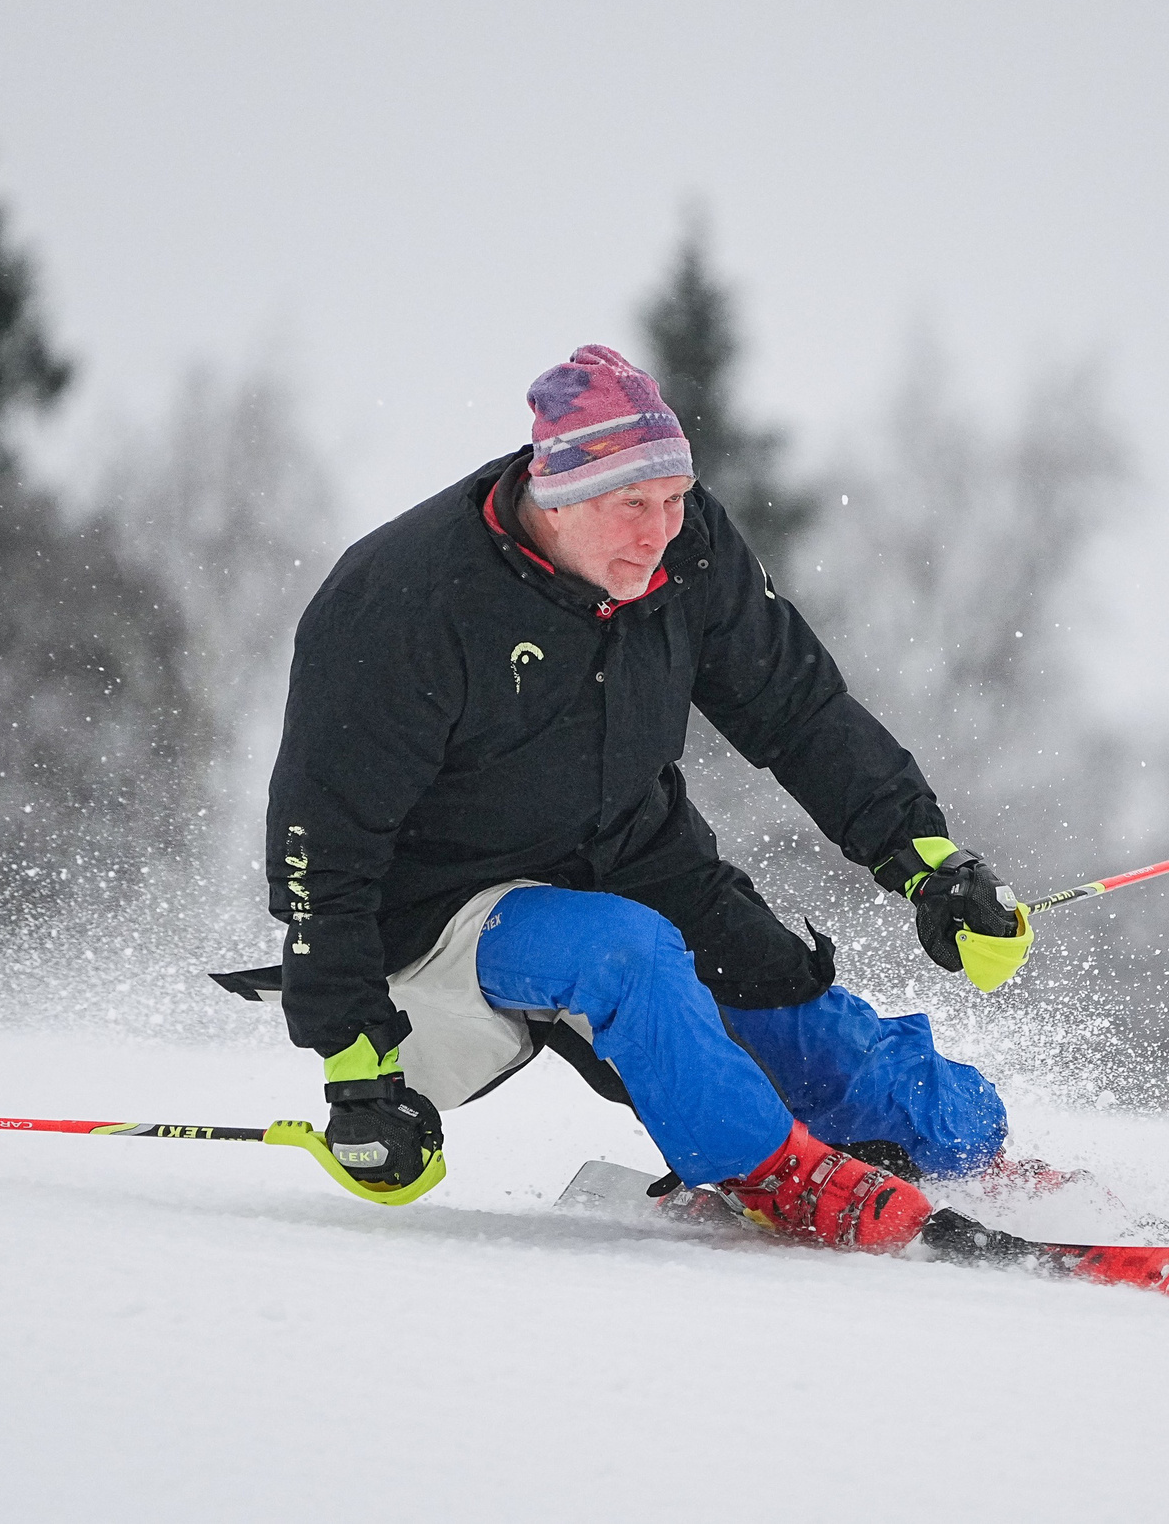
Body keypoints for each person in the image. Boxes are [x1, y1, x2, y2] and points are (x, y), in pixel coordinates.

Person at [260, 344, 1034, 1252]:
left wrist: (924, 858)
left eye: (673, 499)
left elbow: (796, 709)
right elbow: (322, 852)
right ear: (554, 490)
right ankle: (772, 1171)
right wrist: (355, 1070)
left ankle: (968, 1155)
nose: (659, 531)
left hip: (633, 851)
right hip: (449, 905)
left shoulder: (686, 544)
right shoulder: (404, 602)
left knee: (842, 1054)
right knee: (626, 955)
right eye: (632, 504)